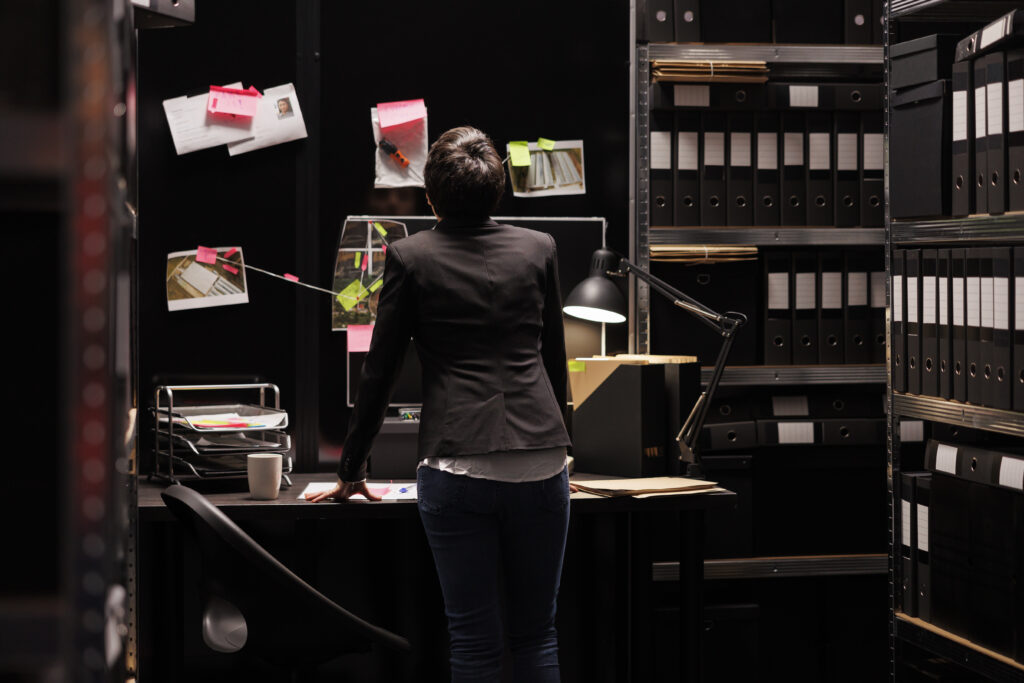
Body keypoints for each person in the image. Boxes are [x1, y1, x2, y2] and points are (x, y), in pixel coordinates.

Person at [307, 126, 572, 682]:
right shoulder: (539, 248)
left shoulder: (410, 256)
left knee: (474, 642)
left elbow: (379, 372)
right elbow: (553, 358)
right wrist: (565, 445)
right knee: (537, 635)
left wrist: (352, 469)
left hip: (458, 462)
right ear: (499, 190)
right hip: (543, 460)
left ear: (430, 197)